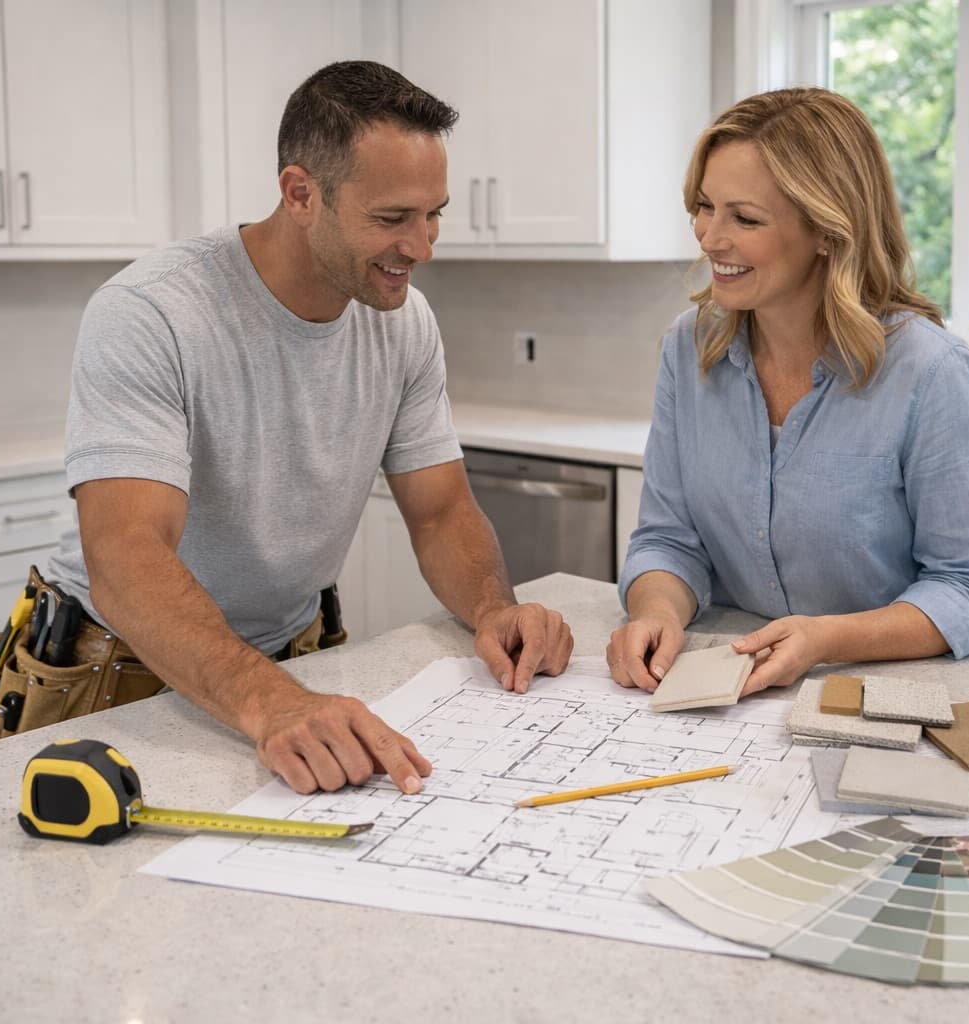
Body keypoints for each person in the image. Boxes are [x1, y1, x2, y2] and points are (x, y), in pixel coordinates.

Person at [45, 61, 573, 796]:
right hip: (117, 670)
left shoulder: (404, 323)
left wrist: (494, 609)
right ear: (300, 194)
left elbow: (441, 512)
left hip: (292, 665)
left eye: (434, 214)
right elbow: (125, 556)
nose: (423, 246)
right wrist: (271, 703)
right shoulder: (151, 313)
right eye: (392, 218)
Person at [607, 87, 969, 697]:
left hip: (916, 697)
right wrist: (657, 611)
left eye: (745, 218)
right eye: (705, 206)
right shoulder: (689, 348)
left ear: (826, 230)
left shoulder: (929, 370)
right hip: (757, 694)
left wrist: (826, 639)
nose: (710, 237)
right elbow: (669, 540)